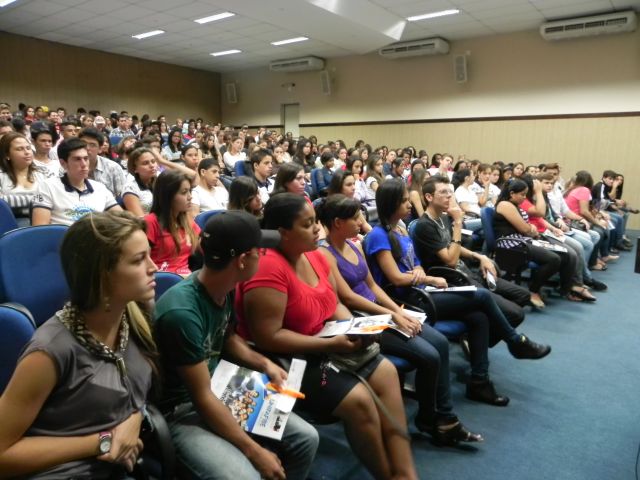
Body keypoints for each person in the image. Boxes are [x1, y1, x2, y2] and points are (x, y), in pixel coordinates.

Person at [235, 193, 418, 480]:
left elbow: (334, 304)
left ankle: (405, 473)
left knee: (387, 372)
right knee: (359, 402)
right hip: (290, 361)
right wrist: (331, 343)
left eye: (315, 222)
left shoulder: (316, 256)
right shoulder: (267, 267)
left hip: (327, 344)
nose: (317, 229)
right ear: (283, 232)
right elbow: (268, 337)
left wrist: (354, 327)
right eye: (307, 224)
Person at [154, 210, 319, 480]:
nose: (264, 257)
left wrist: (264, 364)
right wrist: (255, 452)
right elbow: (201, 397)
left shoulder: (225, 286)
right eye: (260, 252)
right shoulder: (181, 313)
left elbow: (227, 337)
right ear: (242, 260)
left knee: (306, 438)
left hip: (219, 387)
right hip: (182, 408)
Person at [365, 179, 551, 406]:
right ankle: (515, 341)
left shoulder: (401, 228)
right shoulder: (378, 235)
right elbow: (395, 278)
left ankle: (480, 382)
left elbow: (415, 263)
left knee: (479, 317)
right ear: (391, 203)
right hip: (408, 300)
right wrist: (429, 277)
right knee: (482, 296)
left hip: (420, 290)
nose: (409, 204)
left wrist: (420, 270)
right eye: (404, 201)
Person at [0, 211, 157, 478]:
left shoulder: (133, 317)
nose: (153, 267)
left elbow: (134, 393)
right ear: (102, 275)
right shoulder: (49, 351)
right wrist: (104, 441)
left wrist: (135, 418)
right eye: (138, 260)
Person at [316, 195, 482, 445]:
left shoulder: (353, 245)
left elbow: (372, 286)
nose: (361, 222)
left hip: (381, 311)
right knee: (429, 356)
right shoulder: (324, 253)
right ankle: (433, 420)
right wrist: (391, 315)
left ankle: (444, 416)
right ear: (338, 223)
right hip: (363, 319)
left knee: (440, 343)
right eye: (355, 218)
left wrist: (397, 310)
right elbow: (348, 297)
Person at [414, 176, 533, 322]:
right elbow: (451, 261)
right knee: (516, 314)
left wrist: (480, 256)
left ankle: (489, 321)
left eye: (450, 191)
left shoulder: (443, 218)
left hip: (467, 272)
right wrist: (458, 222)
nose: (449, 195)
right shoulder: (425, 225)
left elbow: (453, 247)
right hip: (454, 279)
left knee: (523, 295)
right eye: (444, 192)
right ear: (429, 197)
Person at [32, 138, 122, 226]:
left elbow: (122, 218)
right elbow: (40, 229)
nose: (84, 164)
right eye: (77, 159)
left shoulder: (100, 188)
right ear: (63, 163)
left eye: (86, 158)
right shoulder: (47, 187)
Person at [145, 170, 200, 276]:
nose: (190, 197)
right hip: (161, 279)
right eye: (184, 192)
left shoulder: (187, 220)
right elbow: (143, 264)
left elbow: (205, 246)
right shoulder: (150, 222)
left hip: (185, 278)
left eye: (190, 191)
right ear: (168, 196)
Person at [0, 132, 55, 225]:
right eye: (20, 149)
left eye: (28, 148)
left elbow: (55, 197)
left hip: (43, 220)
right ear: (7, 155)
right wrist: (39, 200)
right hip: (9, 224)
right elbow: (1, 203)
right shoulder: (1, 176)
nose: (27, 152)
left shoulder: (44, 173)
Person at [122, 147, 158, 216]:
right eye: (145, 163)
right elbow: (140, 219)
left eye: (153, 161)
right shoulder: (130, 188)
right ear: (135, 168)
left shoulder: (162, 180)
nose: (152, 165)